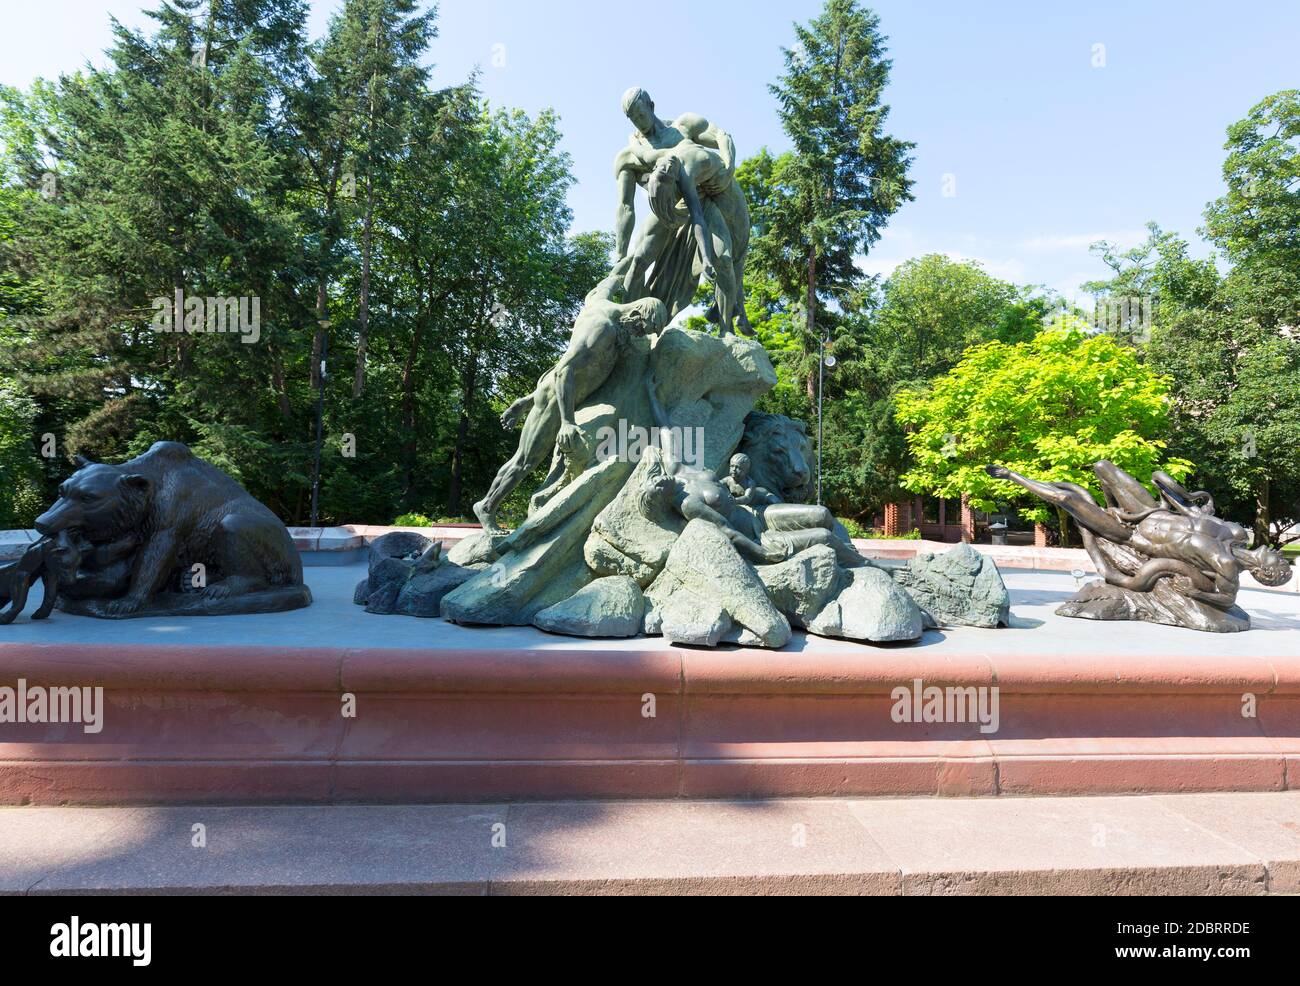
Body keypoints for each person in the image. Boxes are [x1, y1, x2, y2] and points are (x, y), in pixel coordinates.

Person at [473, 261, 667, 534]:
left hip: (556, 395)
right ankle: (487, 506)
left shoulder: (599, 303)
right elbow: (565, 371)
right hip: (556, 403)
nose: (640, 335)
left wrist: (627, 262)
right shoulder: (603, 328)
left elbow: (609, 281)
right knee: (526, 461)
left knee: (527, 459)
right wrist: (567, 421)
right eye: (642, 328)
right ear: (635, 313)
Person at [613, 87, 751, 333]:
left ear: (651, 106)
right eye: (632, 119)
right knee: (638, 259)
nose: (638, 122)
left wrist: (729, 167)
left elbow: (722, 135)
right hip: (667, 208)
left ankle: (726, 325)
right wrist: (619, 253)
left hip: (704, 200)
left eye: (641, 115)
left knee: (726, 259)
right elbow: (625, 207)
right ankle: (629, 326)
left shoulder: (684, 126)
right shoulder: (628, 157)